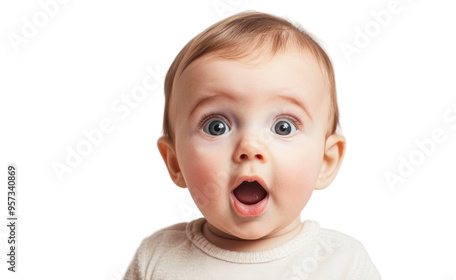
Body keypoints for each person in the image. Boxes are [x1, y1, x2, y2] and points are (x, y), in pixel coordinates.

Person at [124, 11, 381, 279]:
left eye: (283, 127)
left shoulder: (342, 263)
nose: (249, 147)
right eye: (217, 127)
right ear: (175, 162)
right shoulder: (158, 258)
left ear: (326, 162)